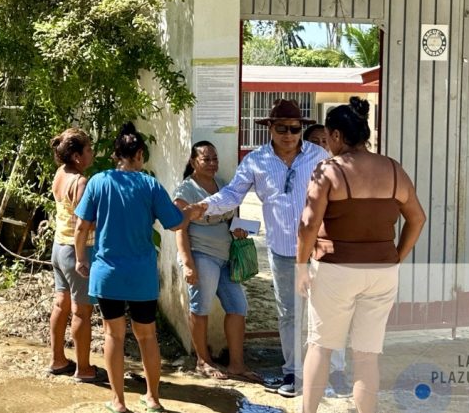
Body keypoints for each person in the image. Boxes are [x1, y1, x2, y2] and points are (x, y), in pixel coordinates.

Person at [178, 98, 332, 398]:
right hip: (284, 251)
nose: (288, 134)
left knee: (323, 311)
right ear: (270, 129)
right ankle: (294, 373)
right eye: (281, 128)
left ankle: (328, 372)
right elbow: (232, 194)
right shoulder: (256, 161)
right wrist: (202, 207)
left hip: (321, 248)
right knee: (289, 313)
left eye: (295, 128)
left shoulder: (320, 156)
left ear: (301, 128)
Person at [297, 98, 426, 413]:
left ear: (338, 136)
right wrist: (397, 255)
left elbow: (309, 224)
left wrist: (301, 265)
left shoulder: (328, 170)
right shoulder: (394, 169)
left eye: (327, 139)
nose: (326, 146)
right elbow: (418, 218)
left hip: (334, 270)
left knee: (320, 346)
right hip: (381, 272)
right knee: (367, 356)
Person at [75, 123, 186, 413]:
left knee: (113, 335)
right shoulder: (149, 185)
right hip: (141, 276)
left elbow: (80, 226)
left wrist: (80, 259)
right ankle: (152, 399)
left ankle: (119, 402)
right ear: (138, 154)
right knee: (146, 335)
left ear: (115, 155)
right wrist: (190, 211)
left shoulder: (98, 181)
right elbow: (174, 222)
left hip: (107, 273)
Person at [173, 141, 260, 383]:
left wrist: (239, 230)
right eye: (206, 159)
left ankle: (236, 364)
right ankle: (203, 361)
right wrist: (188, 263)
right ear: (193, 162)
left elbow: (233, 217)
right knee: (201, 307)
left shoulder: (223, 185)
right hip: (202, 255)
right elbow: (180, 229)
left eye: (215, 158)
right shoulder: (186, 191)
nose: (212, 163)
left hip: (226, 256)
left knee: (238, 307)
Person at [47, 128, 106, 383]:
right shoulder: (80, 182)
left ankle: (58, 360)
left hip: (60, 247)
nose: (92, 153)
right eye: (89, 149)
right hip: (78, 251)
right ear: (77, 156)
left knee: (61, 304)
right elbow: (87, 222)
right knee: (82, 311)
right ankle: (84, 368)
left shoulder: (61, 174)